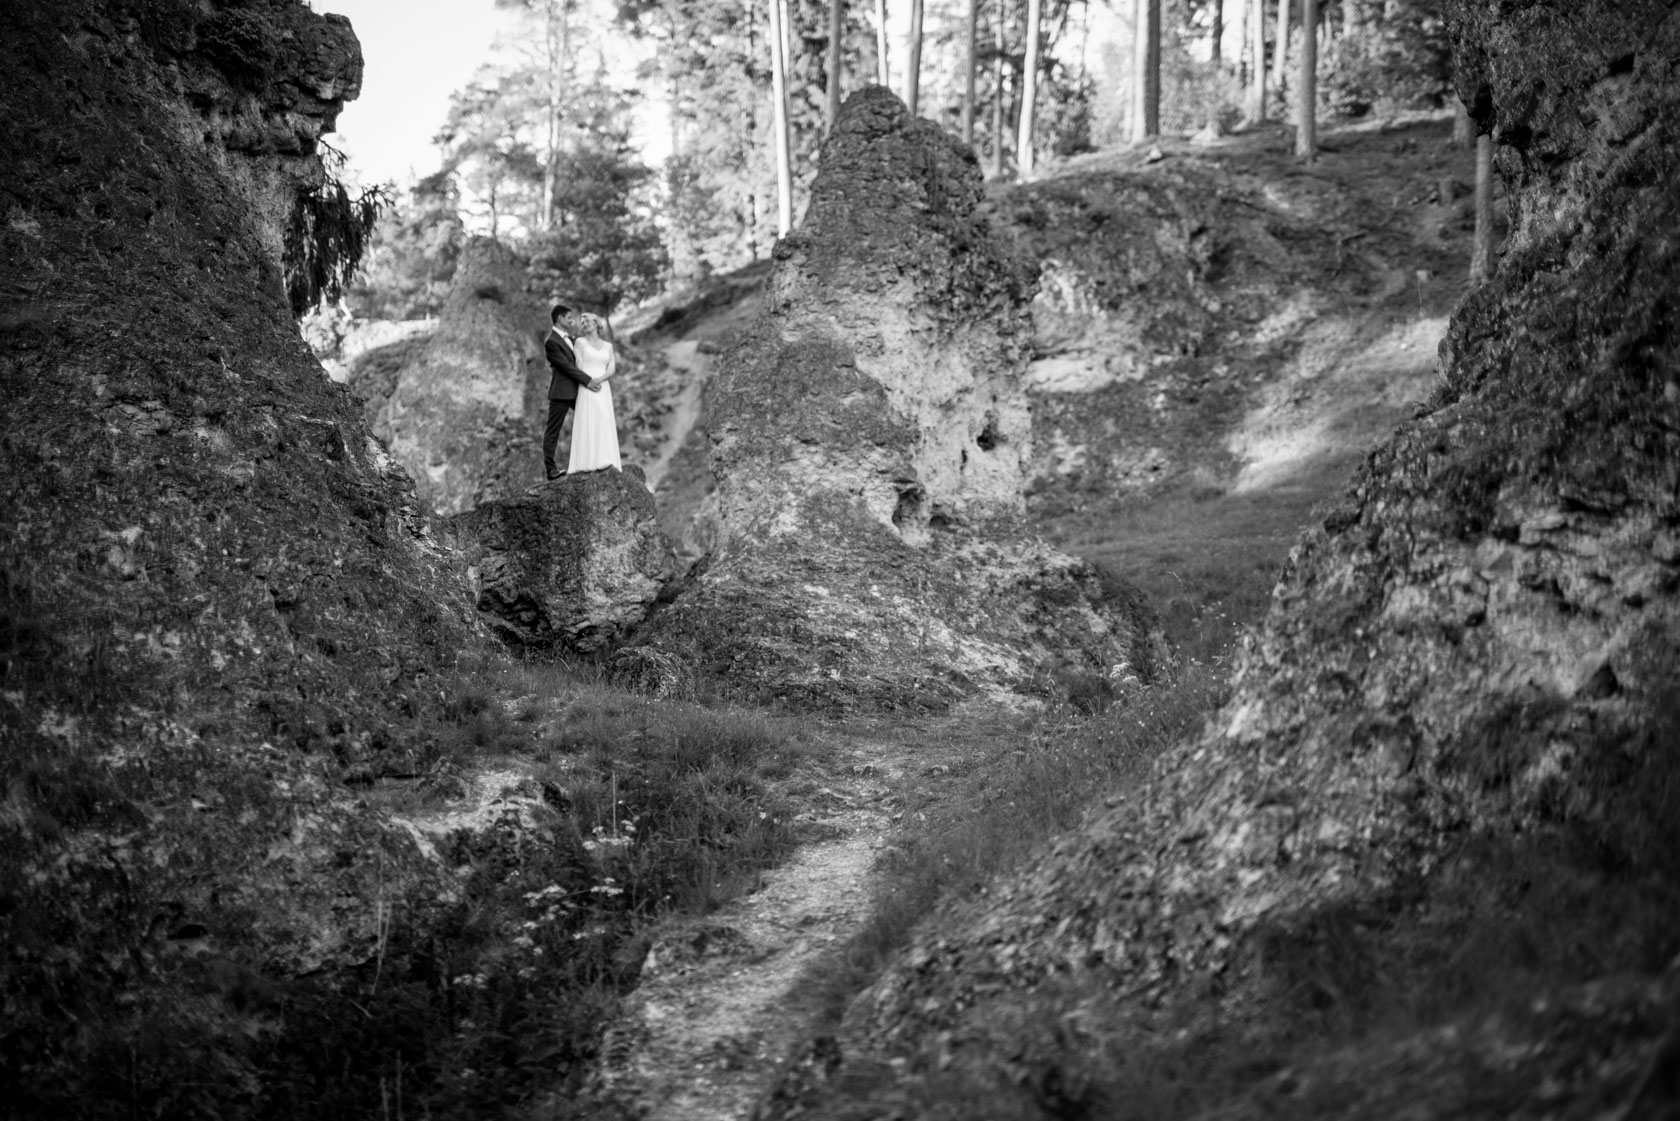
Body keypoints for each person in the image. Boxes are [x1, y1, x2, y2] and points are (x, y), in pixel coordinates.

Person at [542, 303, 596, 480]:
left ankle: (592, 459)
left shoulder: (571, 338)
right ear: (560, 319)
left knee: (590, 419)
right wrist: (588, 380)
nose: (572, 320)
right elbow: (566, 367)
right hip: (561, 392)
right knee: (553, 430)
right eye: (569, 318)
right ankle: (551, 470)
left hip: (576, 390)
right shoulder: (551, 342)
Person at [567, 312, 622, 473]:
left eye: (588, 321)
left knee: (604, 418)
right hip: (587, 386)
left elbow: (611, 367)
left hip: (603, 385)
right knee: (591, 417)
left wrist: (601, 379)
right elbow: (578, 366)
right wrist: (589, 381)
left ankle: (606, 458)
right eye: (582, 323)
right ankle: (587, 461)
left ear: (597, 323)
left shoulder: (608, 346)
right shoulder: (580, 342)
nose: (585, 324)